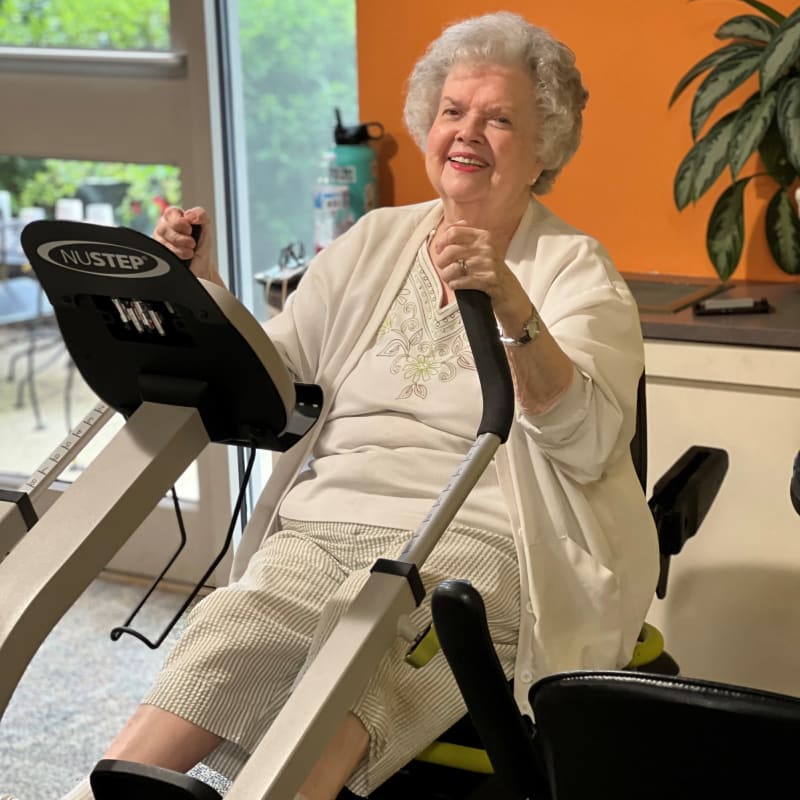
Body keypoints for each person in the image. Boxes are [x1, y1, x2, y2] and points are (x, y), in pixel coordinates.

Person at [58, 11, 658, 800]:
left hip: (483, 536)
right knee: (236, 626)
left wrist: (511, 303)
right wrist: (197, 290)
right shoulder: (376, 240)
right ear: (427, 125)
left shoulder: (574, 271)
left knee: (367, 650)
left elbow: (587, 442)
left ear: (544, 144)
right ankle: (106, 789)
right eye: (453, 111)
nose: (468, 132)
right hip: (328, 517)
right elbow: (272, 372)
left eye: (499, 117)